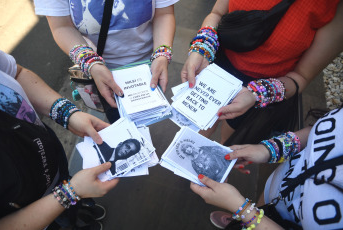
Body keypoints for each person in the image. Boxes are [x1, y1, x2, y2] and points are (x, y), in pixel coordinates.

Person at [181, 0, 343, 145]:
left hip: (261, 86)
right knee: (198, 130)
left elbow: (300, 77)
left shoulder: (333, 8)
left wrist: (256, 94)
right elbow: (217, 13)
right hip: (218, 63)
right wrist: (202, 47)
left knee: (228, 144)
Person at [0, 49, 119, 230]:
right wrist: (71, 192)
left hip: (48, 154)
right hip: (26, 210)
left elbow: (16, 72)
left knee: (68, 193)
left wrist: (67, 114)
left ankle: (76, 212)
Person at [190, 106, 343, 229]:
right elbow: (316, 133)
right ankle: (246, 220)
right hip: (276, 193)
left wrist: (243, 209)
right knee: (265, 205)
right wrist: (269, 150)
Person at [33, 0, 179, 123]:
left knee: (150, 119)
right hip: (101, 70)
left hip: (149, 67)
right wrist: (91, 63)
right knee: (119, 122)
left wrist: (161, 53)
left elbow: (164, 13)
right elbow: (61, 26)